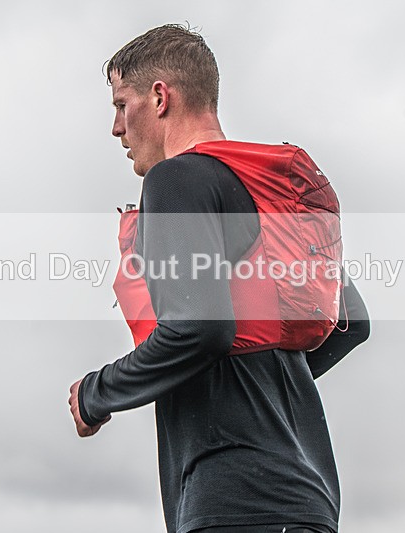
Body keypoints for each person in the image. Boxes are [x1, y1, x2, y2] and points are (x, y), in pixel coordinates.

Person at [68, 24, 370, 533]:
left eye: (122, 105)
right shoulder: (264, 186)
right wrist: (256, 392)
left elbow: (198, 329)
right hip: (307, 494)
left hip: (233, 498)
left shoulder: (178, 179)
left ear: (160, 97)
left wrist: (97, 394)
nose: (116, 128)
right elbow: (352, 321)